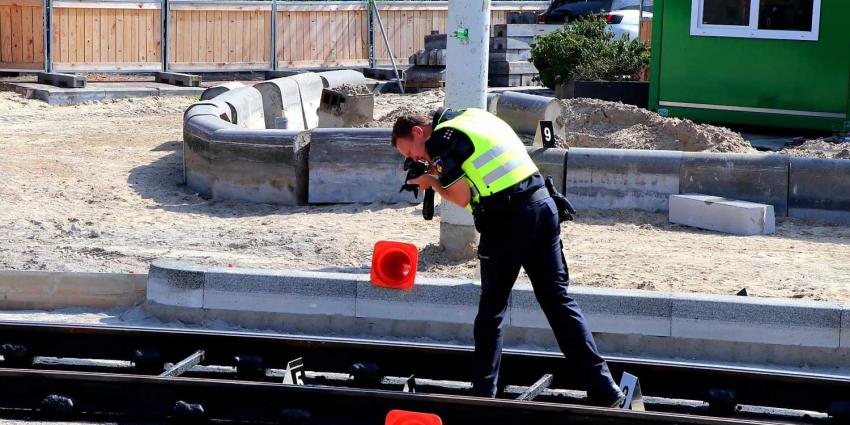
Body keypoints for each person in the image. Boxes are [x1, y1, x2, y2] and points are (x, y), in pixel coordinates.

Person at [391, 107, 625, 407]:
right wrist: (437, 172)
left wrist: (432, 183)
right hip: (543, 206)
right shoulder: (471, 116)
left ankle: (484, 395)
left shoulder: (441, 140)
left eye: (410, 152)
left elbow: (460, 197)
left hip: (508, 220)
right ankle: (606, 389)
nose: (414, 159)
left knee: (492, 310)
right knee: (559, 303)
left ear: (418, 132)